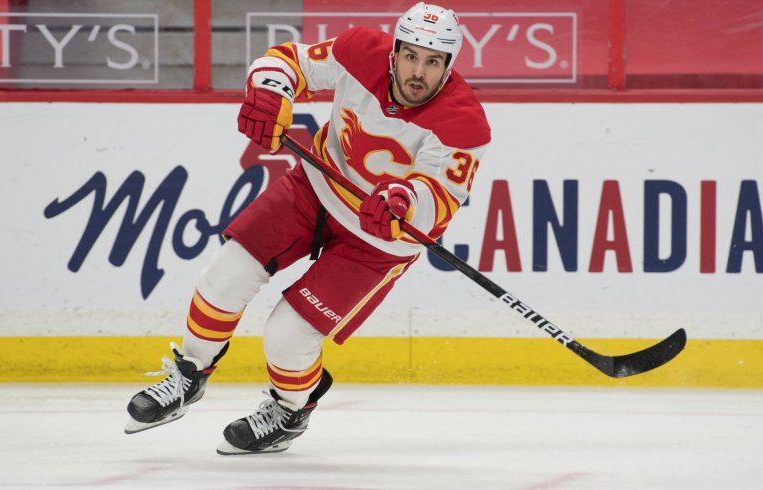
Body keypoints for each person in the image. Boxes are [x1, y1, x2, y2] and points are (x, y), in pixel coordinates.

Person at [124, 2, 490, 455]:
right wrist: (271, 91)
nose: (419, 72)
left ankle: (290, 409)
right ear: (394, 52)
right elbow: (289, 61)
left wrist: (405, 203)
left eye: (433, 62)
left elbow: (438, 196)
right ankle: (188, 374)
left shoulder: (465, 123)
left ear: (449, 66)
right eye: (411, 56)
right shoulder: (360, 50)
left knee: (287, 336)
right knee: (225, 274)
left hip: (377, 239)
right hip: (315, 189)